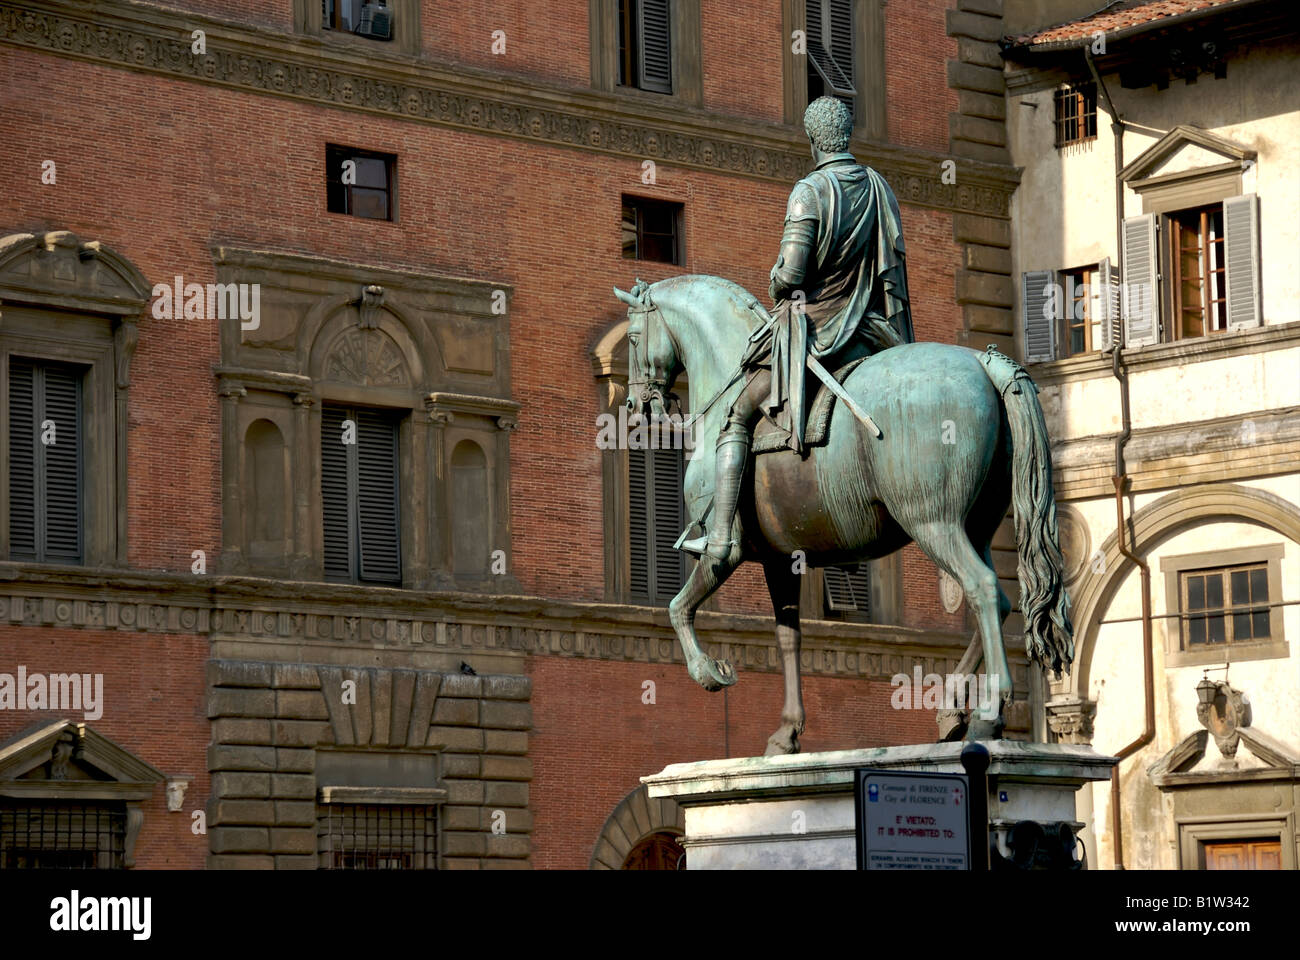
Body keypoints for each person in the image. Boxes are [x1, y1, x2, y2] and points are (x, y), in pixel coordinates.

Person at [680, 96, 916, 561]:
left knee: (737, 415)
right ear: (846, 134)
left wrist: (774, 277)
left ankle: (722, 536)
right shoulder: (877, 186)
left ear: (812, 140)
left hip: (821, 333)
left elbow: (790, 275)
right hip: (872, 333)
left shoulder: (809, 192)